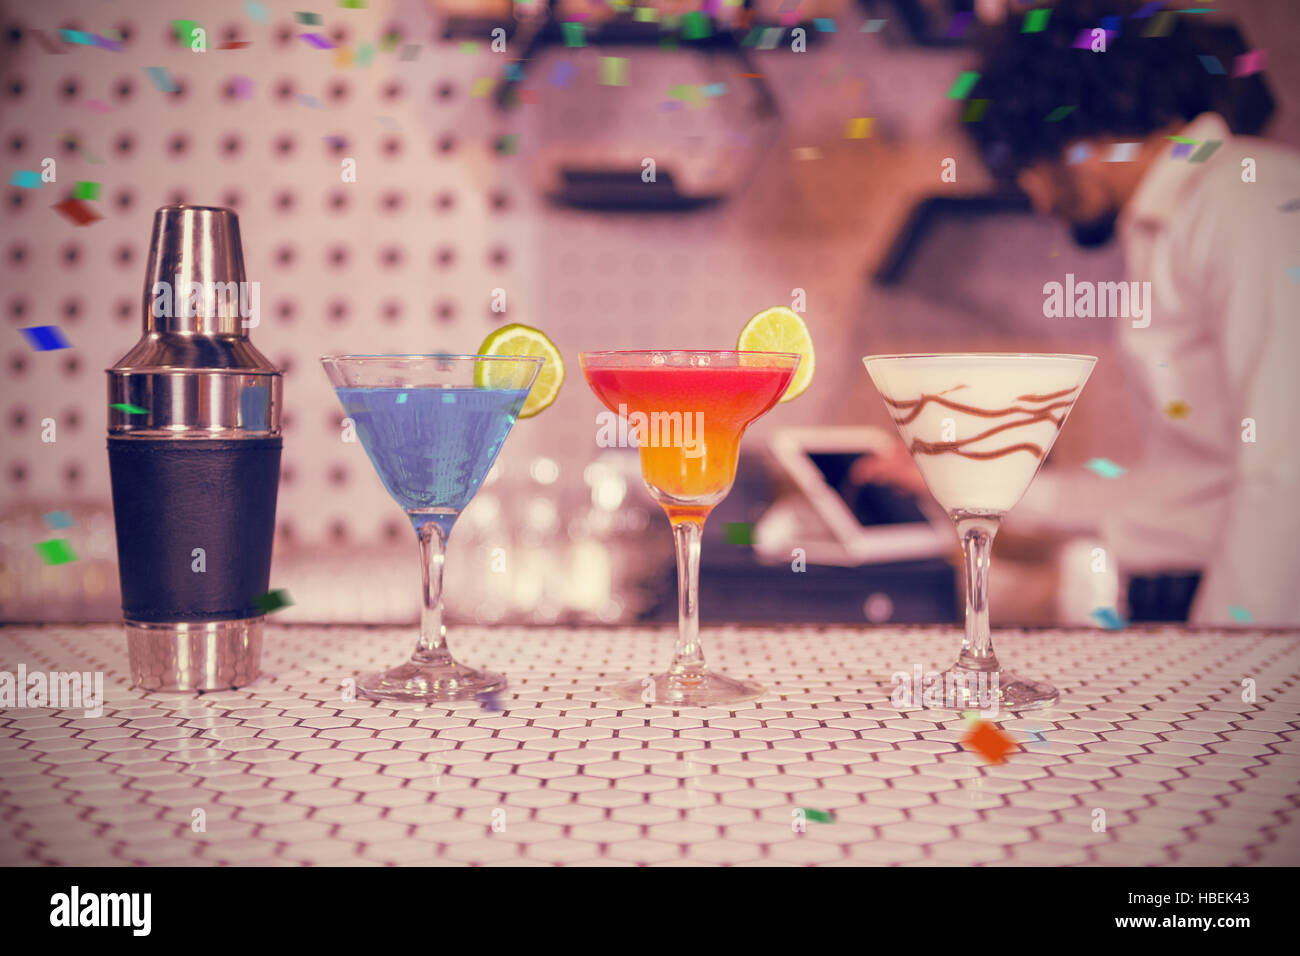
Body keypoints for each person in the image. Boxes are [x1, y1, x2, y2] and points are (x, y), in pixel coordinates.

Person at [866, 1, 1300, 626]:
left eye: (1029, 169)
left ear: (1083, 128)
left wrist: (1228, 659)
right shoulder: (1176, 221)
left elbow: (1284, 472)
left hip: (1244, 623)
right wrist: (976, 486)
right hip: (1182, 599)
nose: (1036, 200)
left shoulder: (1247, 203)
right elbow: (1186, 486)